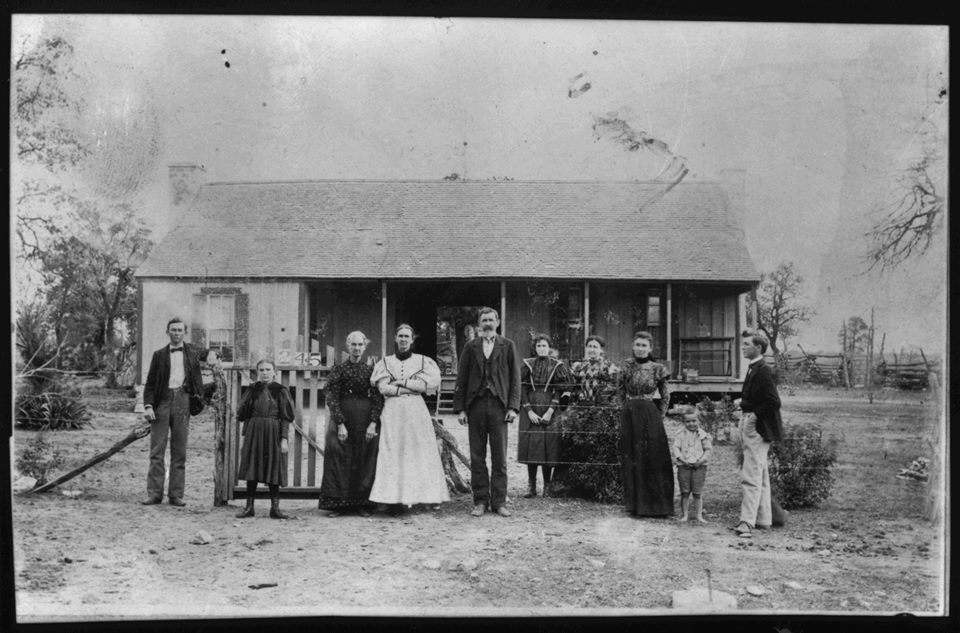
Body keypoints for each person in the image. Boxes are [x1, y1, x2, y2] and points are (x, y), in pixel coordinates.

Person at [368, 324, 450, 516]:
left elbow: (424, 386)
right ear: (395, 339)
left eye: (407, 336)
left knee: (420, 451)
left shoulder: (423, 361)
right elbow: (383, 388)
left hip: (415, 410)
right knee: (392, 451)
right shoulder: (386, 362)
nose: (403, 340)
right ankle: (390, 499)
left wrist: (401, 382)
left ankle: (427, 497)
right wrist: (407, 388)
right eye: (400, 336)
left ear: (412, 339)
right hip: (393, 411)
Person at [453, 307, 521, 517]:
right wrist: (461, 409)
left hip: (500, 407)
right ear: (479, 324)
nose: (488, 323)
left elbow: (516, 379)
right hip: (476, 406)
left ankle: (499, 502)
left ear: (498, 322)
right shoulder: (470, 347)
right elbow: (462, 379)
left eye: (491, 320)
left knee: (500, 457)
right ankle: (480, 501)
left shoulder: (508, 346)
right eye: (484, 320)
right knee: (477, 456)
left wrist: (513, 407)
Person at [318, 331, 384, 517]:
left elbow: (378, 398)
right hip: (344, 418)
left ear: (365, 346)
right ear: (347, 346)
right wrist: (340, 424)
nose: (356, 348)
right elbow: (331, 396)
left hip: (365, 419)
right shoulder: (338, 370)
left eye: (360, 345)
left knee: (364, 458)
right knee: (339, 456)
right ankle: (339, 505)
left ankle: (362, 504)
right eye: (353, 344)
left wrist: (372, 423)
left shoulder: (371, 370)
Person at [141, 317, 204, 507]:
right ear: (167, 332)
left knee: (179, 450)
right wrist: (148, 405)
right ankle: (154, 494)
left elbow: (209, 353)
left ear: (185, 332)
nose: (176, 333)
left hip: (183, 400)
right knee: (157, 450)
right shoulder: (159, 355)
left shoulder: (192, 351)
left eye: (179, 330)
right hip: (162, 401)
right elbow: (151, 383)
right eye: (173, 330)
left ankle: (176, 495)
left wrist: (211, 356)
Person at [734, 330, 784, 538]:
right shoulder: (754, 367)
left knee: (751, 475)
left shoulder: (762, 369)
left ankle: (747, 522)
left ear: (758, 348)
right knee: (760, 473)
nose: (743, 347)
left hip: (757, 427)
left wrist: (753, 414)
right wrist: (744, 404)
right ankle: (763, 519)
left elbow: (774, 401)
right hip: (752, 422)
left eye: (747, 344)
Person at [618, 331, 674, 517]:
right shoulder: (625, 366)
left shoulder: (658, 368)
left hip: (650, 413)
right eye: (638, 345)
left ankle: (656, 506)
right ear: (633, 346)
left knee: (653, 458)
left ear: (650, 348)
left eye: (644, 345)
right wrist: (623, 410)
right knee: (632, 457)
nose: (641, 349)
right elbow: (619, 392)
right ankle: (634, 505)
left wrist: (660, 416)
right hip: (630, 413)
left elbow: (666, 396)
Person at [234, 359, 295, 519]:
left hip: (273, 431)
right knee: (252, 467)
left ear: (275, 372)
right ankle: (249, 507)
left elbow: (286, 417)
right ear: (257, 372)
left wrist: (284, 439)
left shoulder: (280, 390)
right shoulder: (252, 389)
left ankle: (275, 508)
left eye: (268, 369)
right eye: (261, 370)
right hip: (254, 431)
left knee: (273, 467)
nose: (265, 373)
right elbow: (242, 413)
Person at [518, 334, 571, 498]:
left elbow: (559, 390)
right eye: (539, 346)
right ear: (535, 348)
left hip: (550, 407)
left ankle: (547, 486)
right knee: (532, 446)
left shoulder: (557, 365)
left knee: (549, 445)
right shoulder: (528, 364)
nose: (541, 348)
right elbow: (522, 389)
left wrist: (550, 411)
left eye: (544, 345)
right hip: (531, 408)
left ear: (549, 348)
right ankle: (531, 485)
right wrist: (529, 411)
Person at [672, 405, 712, 523]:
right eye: (687, 421)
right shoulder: (680, 434)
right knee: (685, 492)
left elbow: (708, 450)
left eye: (694, 421)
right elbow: (676, 448)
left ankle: (699, 515)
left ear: (698, 421)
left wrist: (701, 461)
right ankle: (685, 515)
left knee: (697, 492)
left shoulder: (703, 435)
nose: (691, 424)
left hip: (699, 467)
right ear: (684, 422)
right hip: (684, 466)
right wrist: (682, 460)